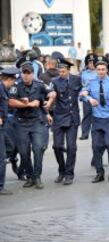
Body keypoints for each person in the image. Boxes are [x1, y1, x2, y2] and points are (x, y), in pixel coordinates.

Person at [9, 56, 55, 189]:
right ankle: (29, 176)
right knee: (23, 152)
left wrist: (48, 102)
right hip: (21, 122)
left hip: (36, 122)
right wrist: (28, 104)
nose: (26, 76)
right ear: (21, 73)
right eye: (24, 73)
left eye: (29, 73)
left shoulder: (40, 84)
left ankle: (37, 176)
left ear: (33, 74)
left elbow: (52, 93)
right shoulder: (16, 86)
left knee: (38, 149)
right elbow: (11, 102)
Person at [81, 56, 109, 183]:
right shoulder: (91, 82)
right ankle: (99, 172)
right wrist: (89, 98)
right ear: (95, 70)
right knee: (96, 146)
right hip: (96, 119)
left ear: (107, 70)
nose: (101, 71)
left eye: (103, 69)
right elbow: (82, 94)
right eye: (98, 69)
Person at [48, 58, 82, 185]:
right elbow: (51, 92)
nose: (61, 73)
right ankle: (62, 170)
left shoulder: (77, 79)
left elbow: (85, 90)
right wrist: (50, 99)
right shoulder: (54, 81)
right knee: (57, 146)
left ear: (68, 70)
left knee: (72, 147)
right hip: (59, 117)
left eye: (63, 71)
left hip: (72, 118)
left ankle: (69, 174)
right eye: (59, 71)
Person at [0, 67, 19, 195]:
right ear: (10, 79)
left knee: (10, 146)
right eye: (13, 81)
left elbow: (7, 102)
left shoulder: (3, 88)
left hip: (4, 124)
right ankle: (0, 186)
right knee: (2, 157)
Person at [79, 53, 97, 140]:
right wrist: (81, 96)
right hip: (87, 97)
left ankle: (96, 132)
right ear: (87, 63)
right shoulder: (84, 74)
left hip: (97, 97)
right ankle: (84, 133)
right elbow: (81, 85)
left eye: (93, 62)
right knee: (86, 115)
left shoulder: (99, 71)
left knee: (97, 116)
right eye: (90, 62)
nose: (92, 64)